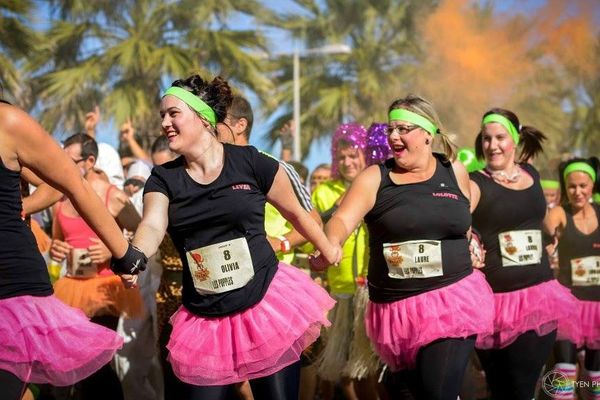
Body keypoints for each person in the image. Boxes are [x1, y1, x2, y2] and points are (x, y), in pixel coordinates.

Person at [124, 74, 340, 400]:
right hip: (205, 317)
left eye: (173, 114)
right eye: (162, 116)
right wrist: (136, 254)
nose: (165, 123)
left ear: (203, 118)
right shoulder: (163, 179)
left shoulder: (251, 162)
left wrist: (326, 249)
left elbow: (296, 212)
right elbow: (153, 225)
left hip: (266, 301)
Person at [313, 95, 495, 400]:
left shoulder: (454, 171)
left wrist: (472, 241)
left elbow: (460, 222)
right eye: (391, 130)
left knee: (438, 392)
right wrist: (331, 243)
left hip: (451, 300)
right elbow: (342, 219)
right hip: (398, 309)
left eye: (403, 129)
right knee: (411, 392)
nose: (394, 136)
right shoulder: (375, 178)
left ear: (427, 134)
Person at [0, 93, 146, 400]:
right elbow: (58, 235)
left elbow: (70, 183)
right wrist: (55, 246)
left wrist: (123, 253)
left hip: (14, 287)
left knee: (89, 369)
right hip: (71, 283)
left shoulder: (8, 122)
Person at [469, 108, 578, 400]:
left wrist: (551, 235)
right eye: (486, 138)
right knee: (500, 387)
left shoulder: (531, 173)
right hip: (493, 304)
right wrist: (472, 238)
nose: (492, 145)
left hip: (537, 297)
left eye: (500, 137)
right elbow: (457, 220)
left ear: (514, 139)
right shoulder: (474, 182)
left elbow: (534, 218)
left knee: (521, 384)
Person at [544, 157, 600, 399]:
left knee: (594, 379)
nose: (577, 192)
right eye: (572, 186)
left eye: (583, 186)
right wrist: (548, 242)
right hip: (569, 305)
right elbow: (546, 233)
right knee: (564, 371)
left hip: (598, 307)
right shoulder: (559, 212)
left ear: (593, 186)